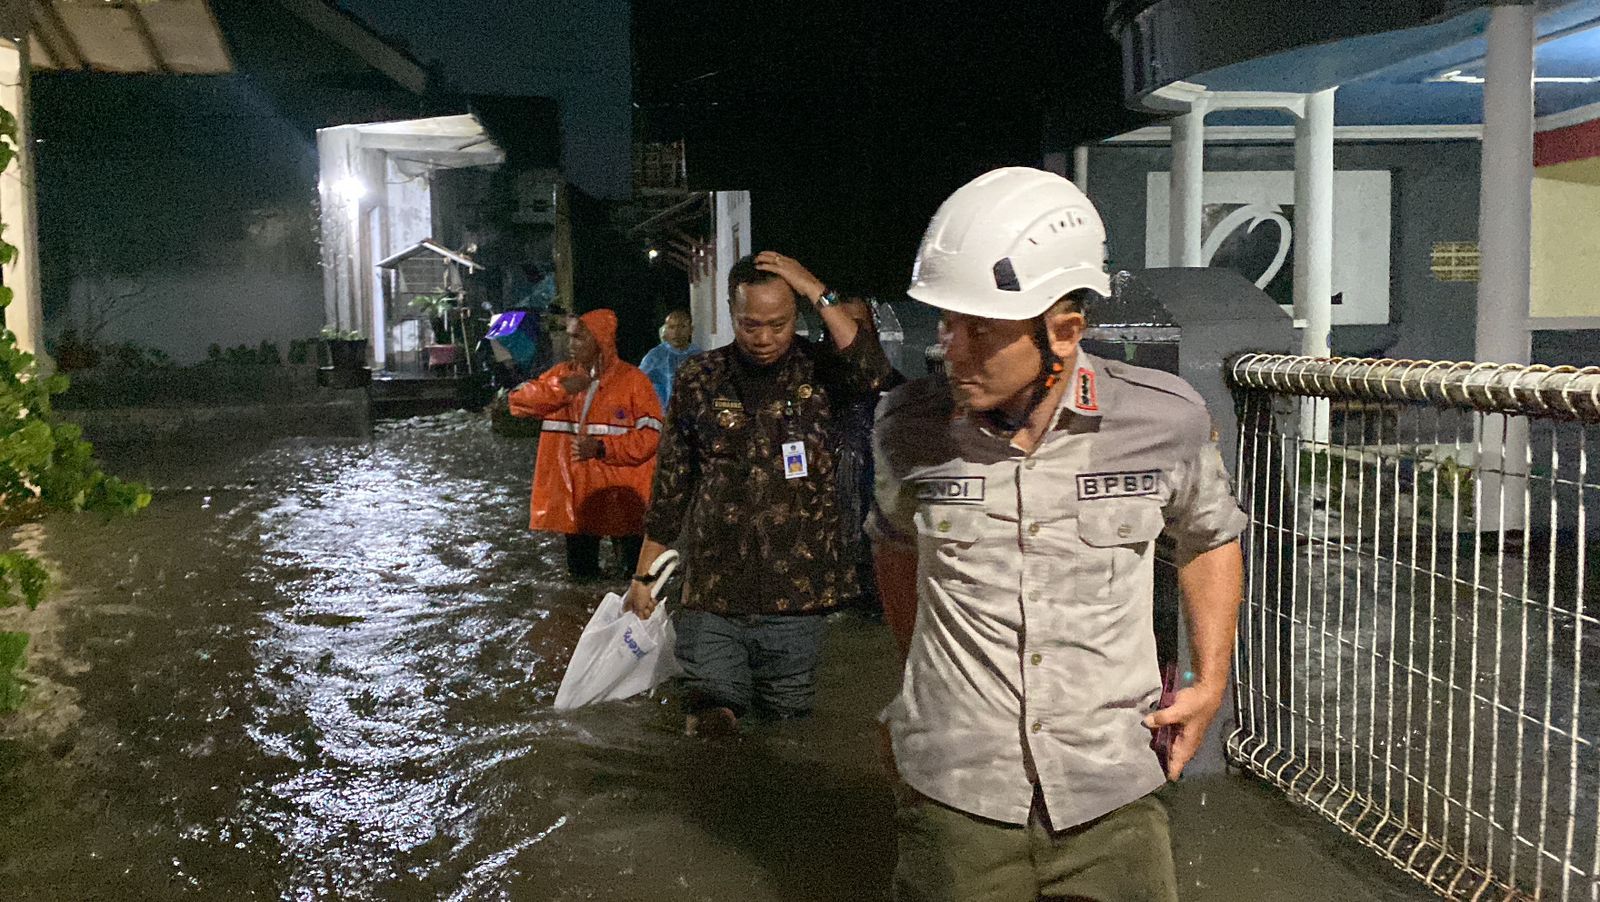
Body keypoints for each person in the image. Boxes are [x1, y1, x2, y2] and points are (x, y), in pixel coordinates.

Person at [869, 168, 1247, 901]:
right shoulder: (906, 430)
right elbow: (896, 546)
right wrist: (921, 682)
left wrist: (1211, 683)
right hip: (956, 794)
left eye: (980, 330)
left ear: (1064, 331)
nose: (952, 349)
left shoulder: (1163, 420)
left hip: (1112, 793)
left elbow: (1209, 537)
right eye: (948, 323)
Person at [623, 252, 893, 735]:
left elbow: (873, 372)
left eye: (779, 323)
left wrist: (815, 287)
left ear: (797, 317)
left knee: (786, 730)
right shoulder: (699, 378)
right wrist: (643, 575)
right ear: (731, 314)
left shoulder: (822, 373)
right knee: (708, 716)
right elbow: (672, 481)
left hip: (798, 595)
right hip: (710, 588)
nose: (764, 338)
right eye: (750, 324)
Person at [509, 309, 663, 581]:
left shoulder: (634, 382)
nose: (570, 344)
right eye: (569, 337)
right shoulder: (561, 377)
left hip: (622, 496)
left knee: (635, 578)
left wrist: (603, 448)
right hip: (578, 499)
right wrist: (563, 389)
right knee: (581, 576)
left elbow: (651, 437)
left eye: (578, 338)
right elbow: (518, 403)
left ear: (601, 341)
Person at [639, 309, 701, 407]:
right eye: (672, 327)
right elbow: (637, 383)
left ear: (691, 330)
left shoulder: (699, 356)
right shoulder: (655, 356)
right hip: (662, 416)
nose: (677, 332)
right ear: (666, 330)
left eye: (682, 327)